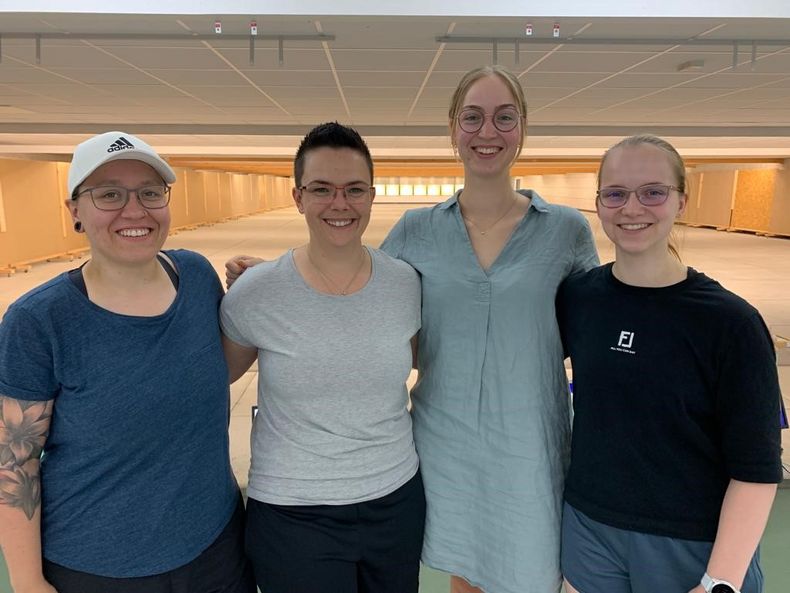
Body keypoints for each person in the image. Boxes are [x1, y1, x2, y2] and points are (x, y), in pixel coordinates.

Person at [227, 67, 599, 593]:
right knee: (463, 573)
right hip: (441, 443)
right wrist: (272, 278)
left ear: (523, 128)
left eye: (503, 117)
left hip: (529, 444)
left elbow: (598, 325)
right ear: (452, 129)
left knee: (533, 575)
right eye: (471, 117)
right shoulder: (417, 231)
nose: (486, 131)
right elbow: (358, 284)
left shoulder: (566, 230)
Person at [0, 132, 254, 593]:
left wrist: (257, 303)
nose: (134, 210)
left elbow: (213, 375)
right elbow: (13, 463)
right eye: (109, 194)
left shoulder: (195, 275)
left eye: (150, 193)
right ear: (74, 210)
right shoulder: (39, 320)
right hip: (96, 566)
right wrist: (27, 581)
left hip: (216, 548)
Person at [556, 135, 782, 593]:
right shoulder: (579, 298)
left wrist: (720, 580)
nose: (632, 208)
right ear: (598, 204)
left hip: (692, 542)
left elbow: (757, 469)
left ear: (681, 200)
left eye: (653, 192)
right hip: (589, 527)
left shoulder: (731, 322)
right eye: (615, 194)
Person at [220, 122, 425, 593]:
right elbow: (217, 378)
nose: (340, 204)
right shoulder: (258, 291)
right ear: (298, 197)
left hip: (395, 501)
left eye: (354, 190)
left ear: (372, 196)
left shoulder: (405, 284)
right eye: (322, 190)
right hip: (294, 514)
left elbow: (423, 362)